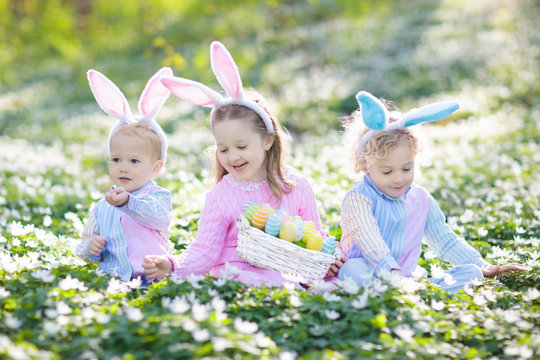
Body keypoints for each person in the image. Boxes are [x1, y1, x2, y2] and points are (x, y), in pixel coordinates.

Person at [142, 41, 345, 287]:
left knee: (335, 282)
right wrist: (173, 265)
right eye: (223, 149)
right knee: (269, 281)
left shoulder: (297, 185)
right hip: (239, 272)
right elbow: (204, 250)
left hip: (288, 270)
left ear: (268, 140)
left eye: (241, 146)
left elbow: (313, 235)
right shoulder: (221, 195)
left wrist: (329, 260)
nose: (232, 157)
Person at [338, 91, 525, 293]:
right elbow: (369, 239)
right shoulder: (359, 198)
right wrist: (392, 273)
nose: (399, 178)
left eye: (407, 168)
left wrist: (481, 265)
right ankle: (402, 292)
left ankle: (414, 292)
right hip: (372, 272)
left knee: (472, 272)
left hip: (406, 277)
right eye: (387, 171)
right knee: (352, 268)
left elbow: (444, 239)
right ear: (365, 165)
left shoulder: (420, 198)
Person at [76, 68, 174, 284]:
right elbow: (83, 245)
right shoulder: (102, 207)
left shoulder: (158, 197)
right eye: (116, 160)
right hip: (113, 282)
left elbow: (159, 218)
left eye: (134, 161)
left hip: (151, 278)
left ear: (156, 168)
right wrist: (90, 248)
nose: (123, 168)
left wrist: (128, 202)